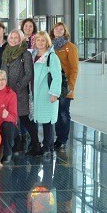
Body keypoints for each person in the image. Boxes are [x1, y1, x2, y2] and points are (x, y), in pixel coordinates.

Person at [1, 29, 42, 156]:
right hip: (7, 92)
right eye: (11, 37)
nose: (13, 40)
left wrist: (18, 87)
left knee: (24, 119)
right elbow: (3, 71)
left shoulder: (25, 54)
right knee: (11, 119)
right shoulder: (6, 52)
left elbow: (29, 74)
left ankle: (36, 145)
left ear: (21, 39)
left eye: (16, 38)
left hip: (20, 92)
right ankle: (17, 144)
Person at [32, 31, 62, 158]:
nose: (40, 42)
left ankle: (48, 147)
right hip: (36, 93)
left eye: (43, 40)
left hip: (47, 93)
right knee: (39, 118)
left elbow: (57, 76)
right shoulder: (33, 55)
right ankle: (42, 145)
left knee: (47, 121)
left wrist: (54, 93)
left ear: (47, 42)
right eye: (38, 40)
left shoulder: (52, 57)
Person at [50, 21, 79, 152]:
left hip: (65, 84)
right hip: (52, 84)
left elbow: (74, 68)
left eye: (61, 29)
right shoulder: (49, 45)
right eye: (56, 29)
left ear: (65, 32)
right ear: (53, 31)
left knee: (63, 113)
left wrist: (71, 86)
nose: (58, 31)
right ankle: (58, 138)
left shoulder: (70, 47)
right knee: (55, 112)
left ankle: (62, 139)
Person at [0, 69, 18, 164]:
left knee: (7, 125)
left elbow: (14, 118)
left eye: (2, 79)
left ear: (6, 81)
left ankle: (7, 153)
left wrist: (7, 116)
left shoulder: (12, 94)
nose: (0, 82)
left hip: (8, 128)